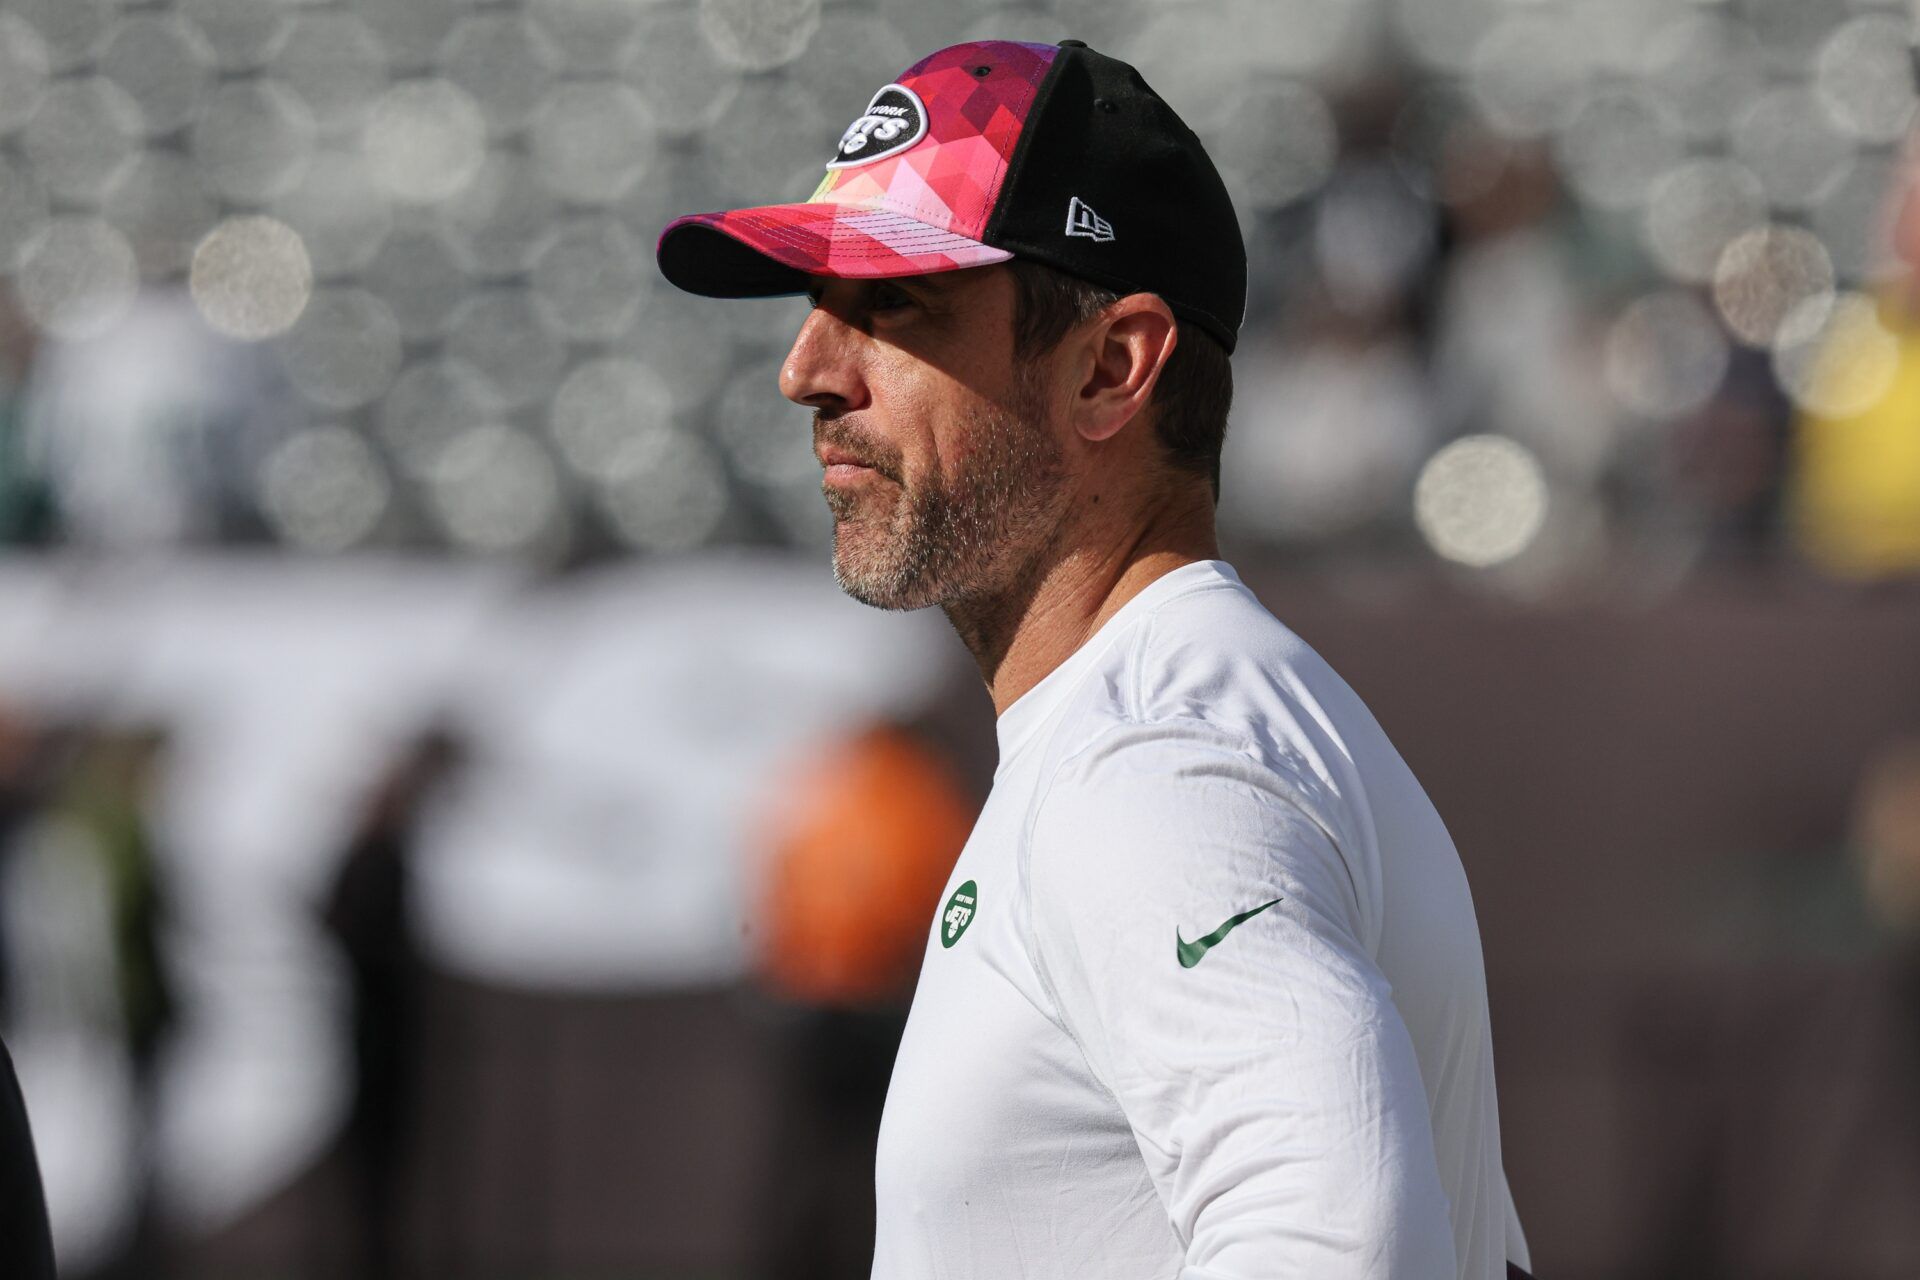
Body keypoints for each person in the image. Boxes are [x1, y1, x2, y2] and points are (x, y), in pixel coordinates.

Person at [656, 37, 1533, 1279]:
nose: (806, 371)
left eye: (891, 304)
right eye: (817, 307)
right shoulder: (1170, 720)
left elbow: (1343, 1242)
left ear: (1111, 367)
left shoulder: (1151, 762)